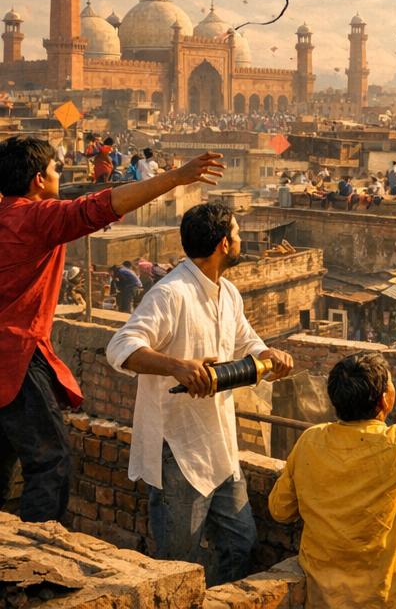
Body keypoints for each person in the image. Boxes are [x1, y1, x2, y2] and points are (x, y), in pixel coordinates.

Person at [0, 137, 224, 524]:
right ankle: (37, 555)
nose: (59, 175)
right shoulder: (36, 220)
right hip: (14, 356)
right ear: (38, 180)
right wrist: (175, 177)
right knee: (50, 461)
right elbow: (103, 206)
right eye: (55, 170)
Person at [106, 203, 295, 583]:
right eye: (239, 234)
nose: (242, 240)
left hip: (220, 445)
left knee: (240, 546)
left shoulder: (228, 292)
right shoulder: (170, 293)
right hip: (176, 449)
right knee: (177, 566)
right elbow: (120, 347)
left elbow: (244, 338)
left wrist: (265, 355)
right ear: (225, 244)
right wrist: (177, 365)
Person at [268, 351, 396, 609]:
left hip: (327, 600)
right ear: (384, 401)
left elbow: (279, 510)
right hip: (391, 598)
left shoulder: (310, 441)